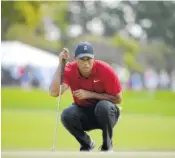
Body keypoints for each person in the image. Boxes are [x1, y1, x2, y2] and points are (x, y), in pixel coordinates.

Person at [49, 42, 122, 152]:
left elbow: (118, 99)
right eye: (82, 59)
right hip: (83, 113)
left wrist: (90, 94)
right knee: (67, 115)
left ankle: (107, 146)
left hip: (107, 114)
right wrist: (61, 65)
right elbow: (54, 92)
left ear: (94, 58)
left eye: (89, 59)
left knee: (103, 107)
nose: (86, 63)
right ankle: (87, 144)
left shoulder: (105, 70)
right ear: (75, 59)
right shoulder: (70, 69)